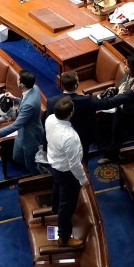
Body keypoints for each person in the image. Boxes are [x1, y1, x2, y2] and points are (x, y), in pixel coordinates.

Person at [49, 70, 134, 158]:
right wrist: (130, 93)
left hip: (61, 139)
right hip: (82, 138)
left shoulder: (52, 102)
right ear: (76, 86)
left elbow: (49, 124)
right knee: (82, 159)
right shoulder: (85, 101)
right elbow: (109, 103)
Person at [45, 96, 89, 246]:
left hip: (54, 164)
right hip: (67, 172)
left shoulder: (50, 118)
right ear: (71, 113)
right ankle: (64, 237)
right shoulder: (70, 137)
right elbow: (74, 165)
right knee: (67, 204)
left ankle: (54, 208)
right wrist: (83, 180)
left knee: (57, 187)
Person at [99, 54, 134, 163]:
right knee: (115, 133)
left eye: (127, 66)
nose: (124, 67)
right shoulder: (126, 75)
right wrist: (115, 89)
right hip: (120, 110)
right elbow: (123, 90)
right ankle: (110, 156)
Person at [0, 70, 45, 174]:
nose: (16, 79)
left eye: (18, 78)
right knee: (17, 157)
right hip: (22, 133)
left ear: (22, 84)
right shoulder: (34, 88)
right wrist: (14, 99)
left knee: (31, 165)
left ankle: (36, 180)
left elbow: (17, 124)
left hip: (30, 136)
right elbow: (25, 101)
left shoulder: (29, 104)